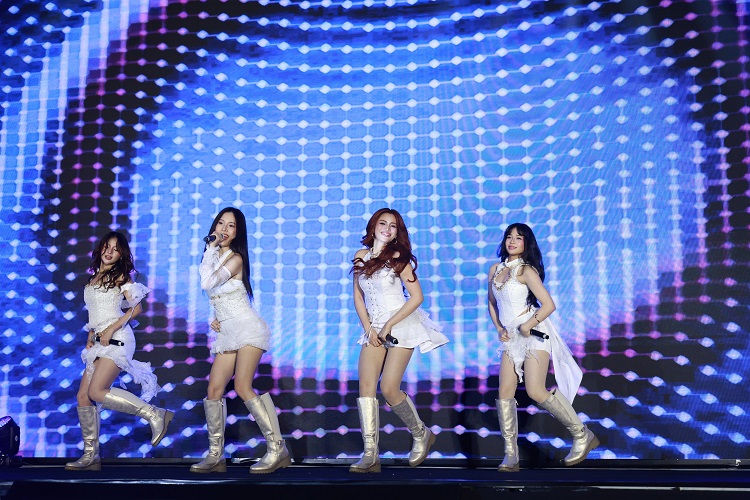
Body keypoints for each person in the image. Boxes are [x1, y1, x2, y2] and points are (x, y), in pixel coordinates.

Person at [488, 223, 599, 471]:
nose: (512, 241)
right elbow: (492, 303)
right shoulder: (495, 270)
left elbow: (548, 304)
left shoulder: (526, 270)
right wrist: (499, 328)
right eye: (509, 236)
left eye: (519, 238)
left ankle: (582, 434)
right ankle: (511, 455)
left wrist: (528, 325)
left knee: (535, 390)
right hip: (512, 336)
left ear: (527, 243)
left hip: (535, 333)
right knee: (504, 392)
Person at [190, 207, 290, 474]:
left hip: (248, 328)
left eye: (231, 226)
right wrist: (216, 316)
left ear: (237, 233)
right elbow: (220, 294)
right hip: (228, 332)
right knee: (214, 389)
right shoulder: (214, 258)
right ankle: (215, 455)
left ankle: (277, 449)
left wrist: (210, 249)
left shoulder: (235, 258)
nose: (224, 229)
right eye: (221, 223)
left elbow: (208, 283)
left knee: (243, 386)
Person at [349, 208, 449, 473]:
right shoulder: (360, 256)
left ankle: (421, 433)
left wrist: (389, 324)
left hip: (401, 323)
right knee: (366, 387)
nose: (386, 228)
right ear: (373, 227)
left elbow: (417, 297)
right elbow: (358, 296)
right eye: (382, 223)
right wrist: (368, 328)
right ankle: (370, 455)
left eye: (392, 226)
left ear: (397, 233)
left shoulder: (399, 259)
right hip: (373, 326)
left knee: (389, 388)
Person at [65, 231, 172, 471]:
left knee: (96, 391)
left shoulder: (121, 276)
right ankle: (91, 456)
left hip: (119, 338)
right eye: (107, 246)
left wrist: (112, 328)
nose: (110, 251)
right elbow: (96, 314)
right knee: (83, 396)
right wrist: (91, 336)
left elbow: (136, 309)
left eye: (116, 248)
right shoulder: (93, 278)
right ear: (101, 248)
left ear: (121, 254)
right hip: (100, 341)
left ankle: (155, 414)